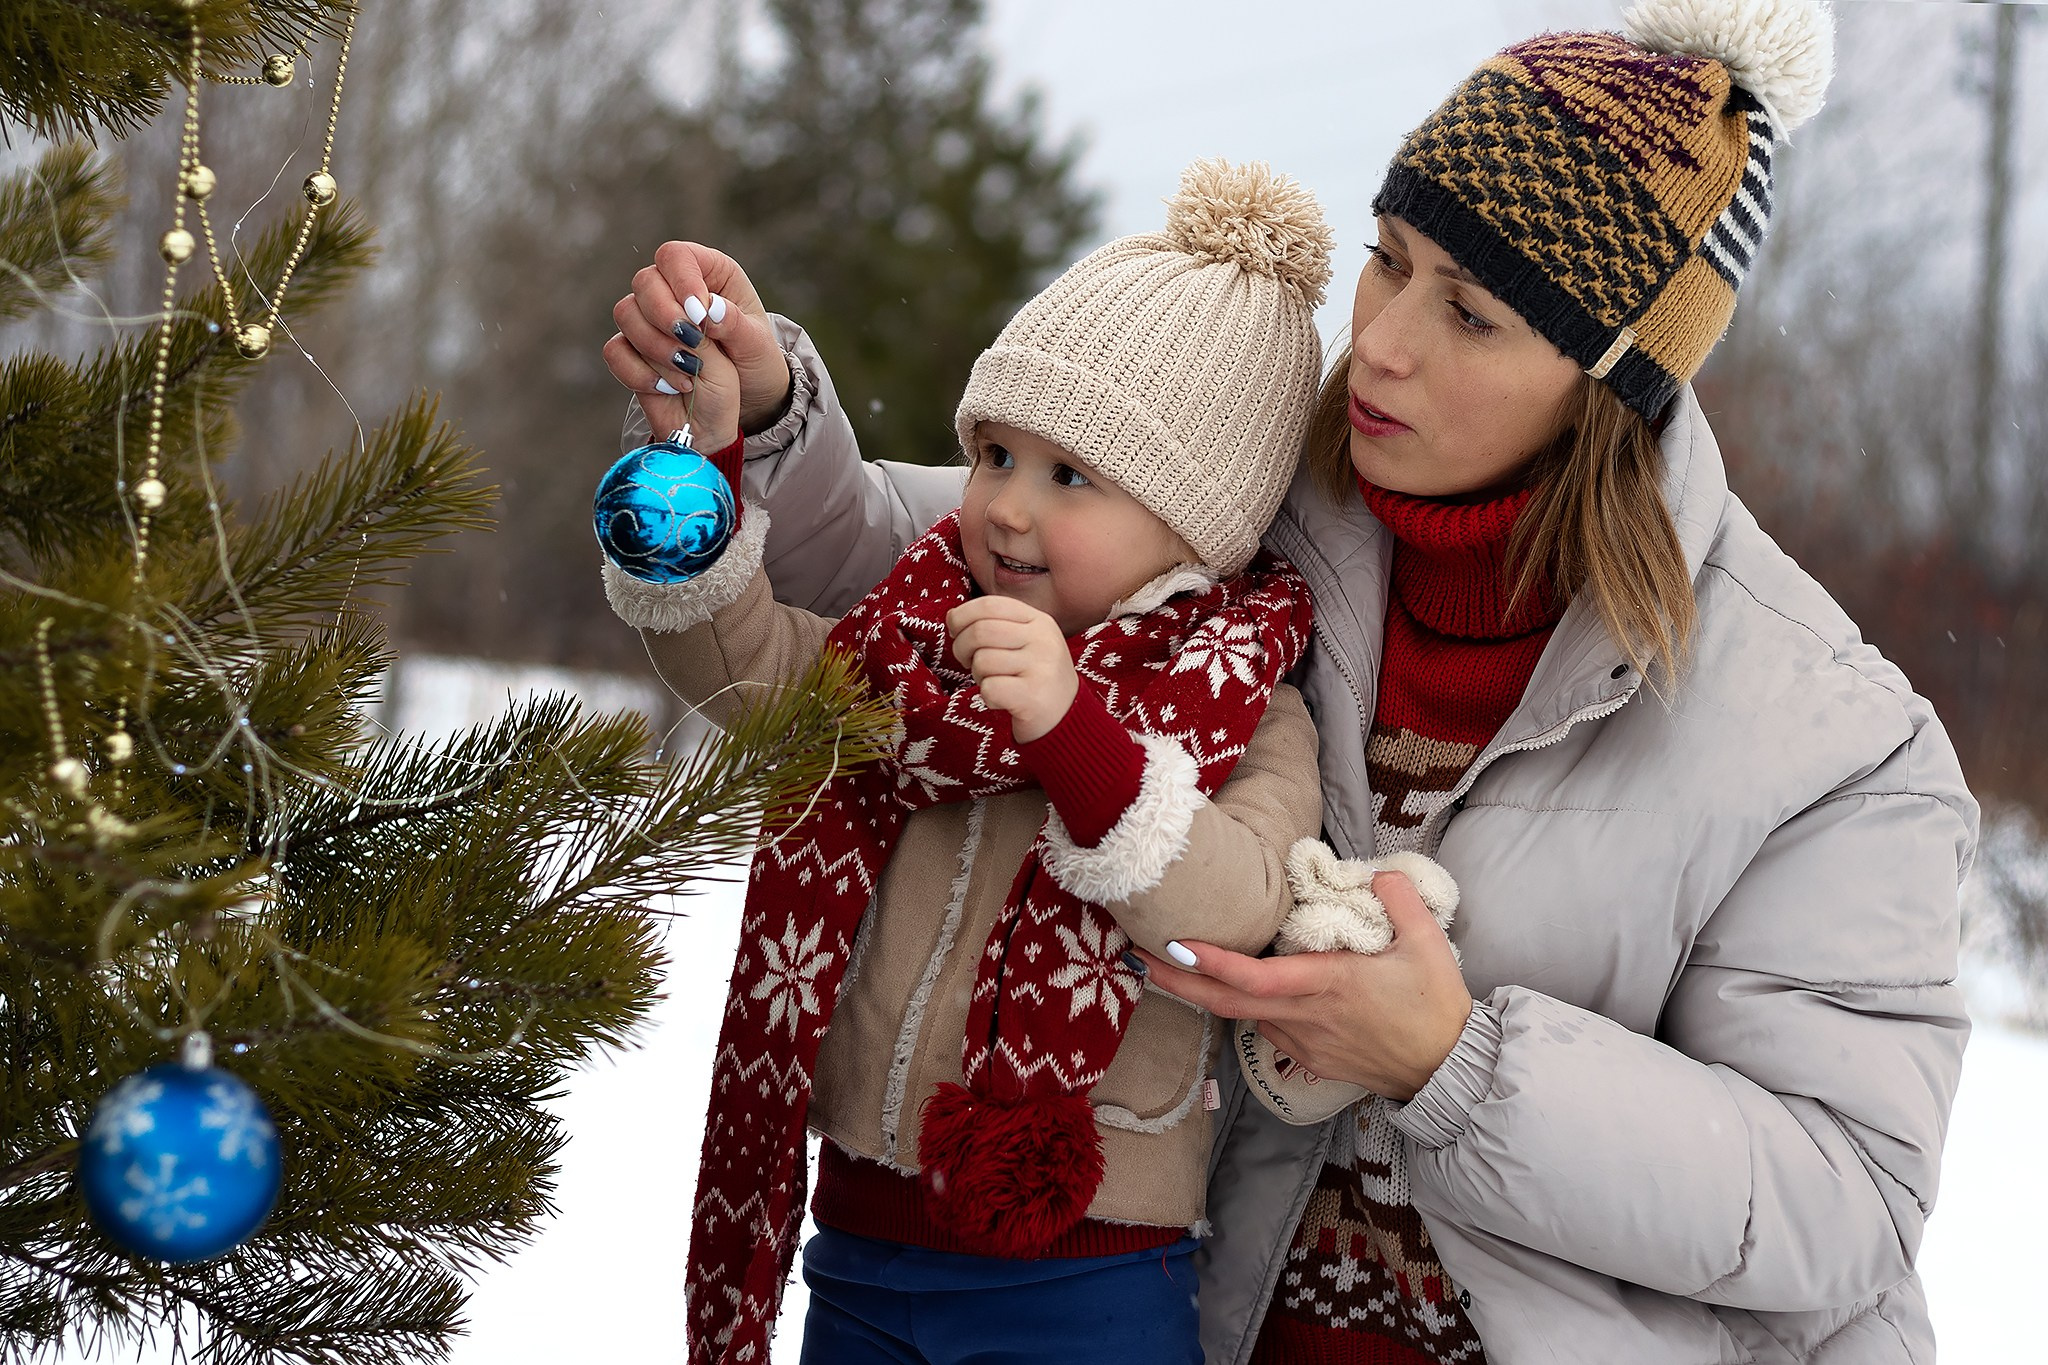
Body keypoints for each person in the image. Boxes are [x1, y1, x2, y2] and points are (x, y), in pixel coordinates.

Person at [605, 4, 1978, 1361]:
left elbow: (1843, 1209)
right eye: (1388, 261)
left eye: (1474, 313)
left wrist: (1454, 1063)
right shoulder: (1260, 531)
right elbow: (940, 555)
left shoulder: (1829, 740)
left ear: (1612, 378)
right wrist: (769, 410)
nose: (1380, 342)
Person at [602, 161, 1339, 1365]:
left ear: (1193, 522)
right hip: (855, 1243)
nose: (1002, 505)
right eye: (995, 453)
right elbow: (757, 676)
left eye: (1069, 478)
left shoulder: (1240, 699)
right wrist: (706, 479)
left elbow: (1240, 906)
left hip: (1085, 1272)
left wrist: (1077, 738)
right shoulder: (916, 634)